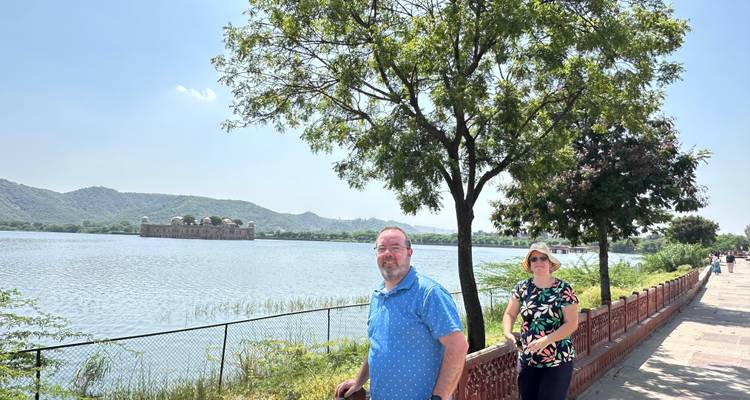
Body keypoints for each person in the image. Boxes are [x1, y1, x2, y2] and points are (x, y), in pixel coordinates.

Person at [335, 227, 469, 400]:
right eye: (382, 249)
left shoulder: (428, 293)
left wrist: (439, 397)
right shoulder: (377, 295)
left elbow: (458, 346)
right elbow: (377, 347)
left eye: (396, 248)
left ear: (409, 252)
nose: (388, 253)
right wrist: (359, 382)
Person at [502, 242, 579, 400]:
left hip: (557, 359)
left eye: (543, 258)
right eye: (534, 259)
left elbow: (572, 323)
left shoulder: (564, 289)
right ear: (529, 264)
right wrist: (507, 332)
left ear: (550, 263)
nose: (538, 262)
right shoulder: (521, 288)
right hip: (528, 358)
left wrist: (547, 339)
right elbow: (509, 314)